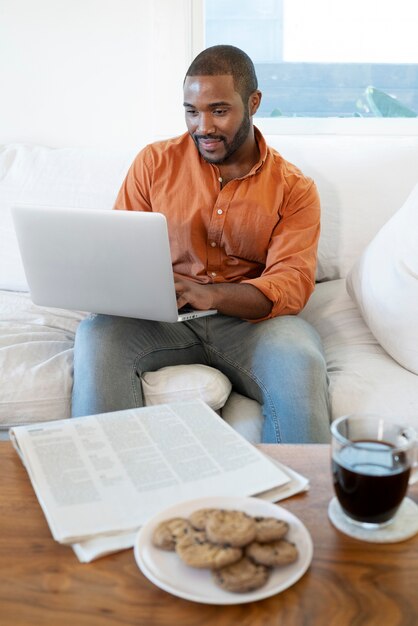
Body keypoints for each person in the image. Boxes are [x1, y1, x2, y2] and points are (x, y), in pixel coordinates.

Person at [71, 44, 331, 443]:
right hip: (162, 322)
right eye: (192, 111)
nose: (202, 126)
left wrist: (212, 295)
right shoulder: (154, 163)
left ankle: (302, 499)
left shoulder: (295, 188)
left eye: (219, 110)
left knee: (299, 355)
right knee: (97, 334)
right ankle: (103, 487)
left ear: (253, 103)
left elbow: (291, 284)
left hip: (251, 326)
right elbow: (118, 249)